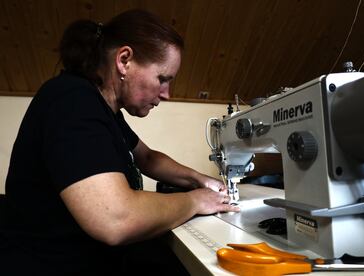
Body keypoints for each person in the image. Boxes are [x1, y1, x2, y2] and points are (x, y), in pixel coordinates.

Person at [0, 9, 239, 275]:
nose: (167, 94)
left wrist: (200, 180)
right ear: (124, 60)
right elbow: (115, 218)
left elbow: (147, 158)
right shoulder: (72, 101)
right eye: (162, 79)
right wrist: (196, 200)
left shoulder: (104, 110)